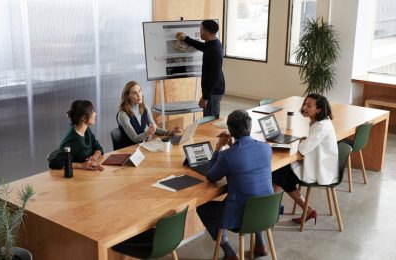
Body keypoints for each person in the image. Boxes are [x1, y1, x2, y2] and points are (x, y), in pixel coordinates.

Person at [197, 110, 273, 259]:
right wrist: (233, 145)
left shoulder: (227, 156)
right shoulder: (266, 148)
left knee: (202, 208)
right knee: (256, 194)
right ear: (250, 128)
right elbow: (246, 160)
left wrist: (219, 147)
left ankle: (229, 253)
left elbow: (211, 176)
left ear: (230, 131)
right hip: (267, 212)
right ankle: (261, 245)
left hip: (241, 217)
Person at [272, 94, 338, 224]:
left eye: (309, 106)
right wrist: (305, 141)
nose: (304, 108)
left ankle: (271, 211)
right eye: (305, 104)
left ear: (319, 109)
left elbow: (302, 150)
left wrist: (302, 143)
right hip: (319, 163)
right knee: (283, 174)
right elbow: (310, 144)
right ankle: (307, 210)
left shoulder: (321, 127)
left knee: (279, 172)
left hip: (320, 170)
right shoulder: (320, 122)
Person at [176, 20, 225, 119]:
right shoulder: (212, 43)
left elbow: (215, 76)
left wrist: (205, 97)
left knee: (210, 120)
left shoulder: (215, 50)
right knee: (209, 118)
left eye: (201, 30)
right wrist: (186, 39)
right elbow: (202, 47)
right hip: (212, 91)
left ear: (207, 32)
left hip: (213, 92)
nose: (200, 32)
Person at [117, 81, 181, 147]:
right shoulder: (123, 115)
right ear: (127, 96)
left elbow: (155, 129)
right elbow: (135, 139)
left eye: (139, 91)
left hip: (142, 146)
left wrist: (169, 132)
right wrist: (149, 132)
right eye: (134, 93)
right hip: (128, 149)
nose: (139, 95)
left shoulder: (145, 109)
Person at [49, 100, 104, 171]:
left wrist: (94, 157)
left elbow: (98, 147)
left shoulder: (86, 129)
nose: (95, 114)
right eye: (92, 112)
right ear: (84, 118)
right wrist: (81, 165)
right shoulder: (74, 140)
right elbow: (54, 163)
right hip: (74, 178)